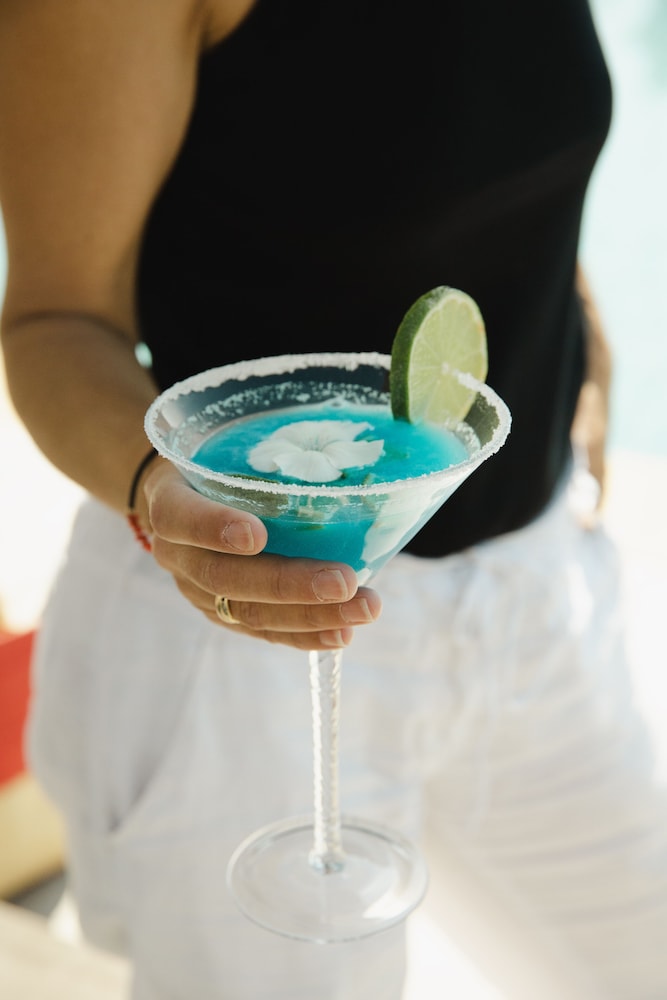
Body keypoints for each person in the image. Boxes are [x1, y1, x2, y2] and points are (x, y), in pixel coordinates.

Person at [0, 2, 665, 998]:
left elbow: (483, 152)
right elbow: (55, 318)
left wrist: (571, 312)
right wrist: (159, 493)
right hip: (235, 638)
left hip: (538, 604)